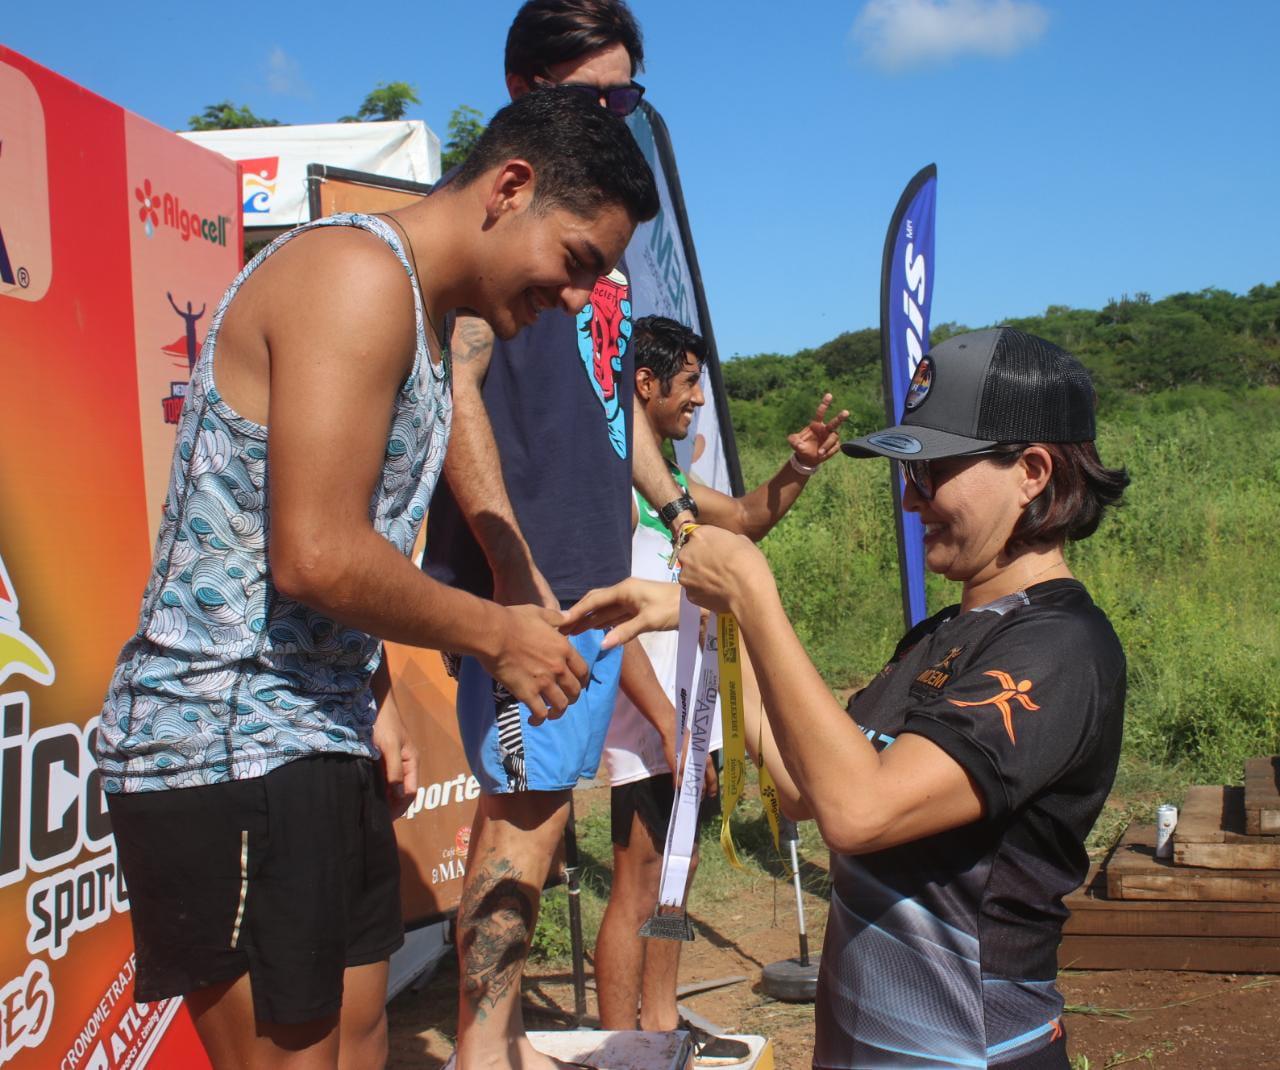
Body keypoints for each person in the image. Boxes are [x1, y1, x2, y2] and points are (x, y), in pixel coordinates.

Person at [95, 88, 659, 1070]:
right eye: (576, 262)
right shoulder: (353, 272)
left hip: (314, 734)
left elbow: (347, 537)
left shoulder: (430, 324)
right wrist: (499, 628)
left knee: (362, 1045)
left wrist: (372, 692)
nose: (577, 298)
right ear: (510, 186)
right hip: (223, 746)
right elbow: (313, 550)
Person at [569, 327, 1130, 1069]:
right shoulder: (941, 635)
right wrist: (714, 629)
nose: (910, 497)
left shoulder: (1062, 648)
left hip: (972, 1051)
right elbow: (807, 788)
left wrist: (754, 596)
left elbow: (862, 811)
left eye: (932, 473)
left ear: (1031, 470)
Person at [421, 6, 696, 1069]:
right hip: (525, 586)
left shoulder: (602, 255)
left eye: (629, 99)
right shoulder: (502, 225)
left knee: (539, 829)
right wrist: (511, 572)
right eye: (597, 95)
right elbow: (456, 387)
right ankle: (485, 1049)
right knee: (519, 822)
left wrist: (671, 514)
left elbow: (610, 413)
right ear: (523, 86)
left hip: (593, 575)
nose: (615, 116)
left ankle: (502, 1038)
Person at [594, 316, 846, 1059]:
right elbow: (612, 614)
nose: (698, 400)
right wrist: (667, 721)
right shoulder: (609, 478)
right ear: (644, 384)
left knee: (680, 863)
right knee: (638, 876)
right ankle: (620, 1044)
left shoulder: (663, 480)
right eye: (689, 383)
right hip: (647, 705)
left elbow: (741, 519)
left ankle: (663, 1022)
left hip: (686, 701)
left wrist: (797, 469)